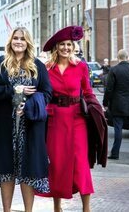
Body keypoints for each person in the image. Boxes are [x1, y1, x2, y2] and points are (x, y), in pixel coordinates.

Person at [40, 26, 107, 212]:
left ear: (73, 46)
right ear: (56, 47)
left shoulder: (81, 66)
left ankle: (87, 208)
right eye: (62, 44)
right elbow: (43, 93)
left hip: (77, 119)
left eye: (69, 44)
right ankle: (57, 207)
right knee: (57, 162)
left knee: (80, 163)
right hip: (54, 120)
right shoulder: (47, 69)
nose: (66, 48)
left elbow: (87, 91)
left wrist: (96, 108)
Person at [0, 26, 52, 212]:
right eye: (15, 38)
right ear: (10, 41)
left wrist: (30, 105)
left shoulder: (37, 65)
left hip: (30, 127)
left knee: (27, 171)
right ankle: (6, 210)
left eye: (22, 39)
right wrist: (15, 90)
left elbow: (47, 92)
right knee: (6, 170)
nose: (18, 42)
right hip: (4, 126)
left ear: (28, 42)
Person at [103, 49, 129, 159]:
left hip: (118, 105)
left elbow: (109, 89)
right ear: (127, 57)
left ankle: (115, 153)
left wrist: (105, 103)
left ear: (118, 57)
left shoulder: (114, 70)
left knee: (118, 129)